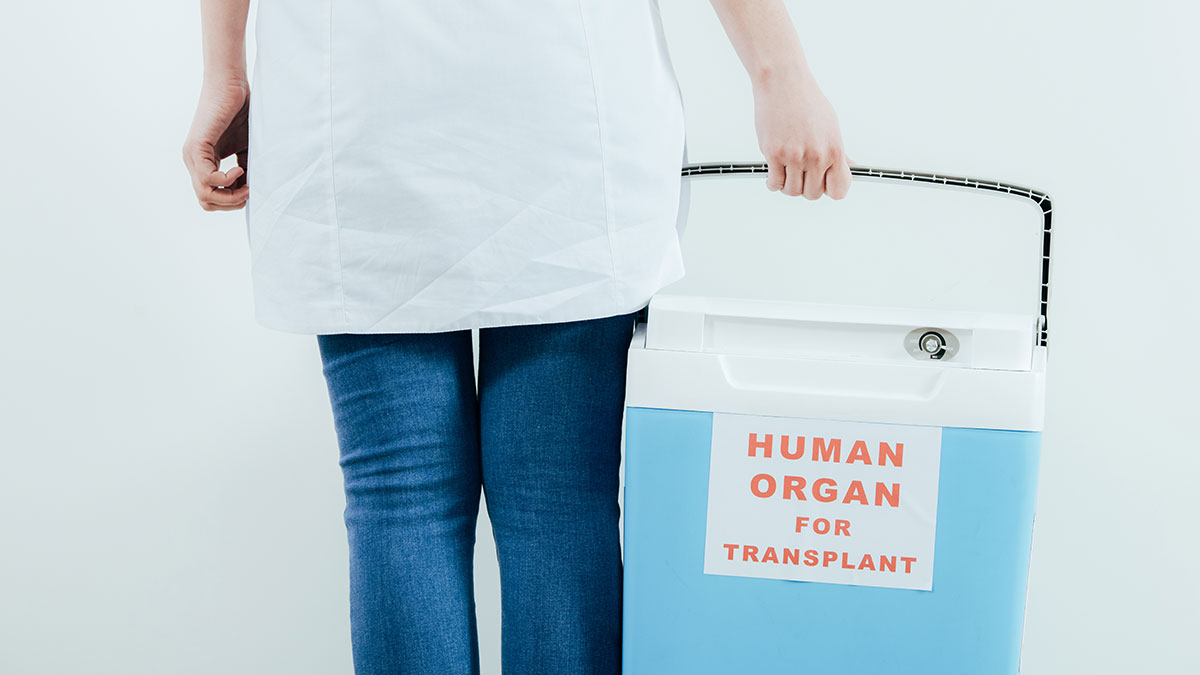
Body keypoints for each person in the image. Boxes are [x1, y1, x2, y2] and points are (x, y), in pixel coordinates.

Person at [182, 1, 850, 673]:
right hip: (561, 103)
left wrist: (224, 70)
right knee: (555, 498)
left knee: (401, 496)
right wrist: (779, 73)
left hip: (356, 105)